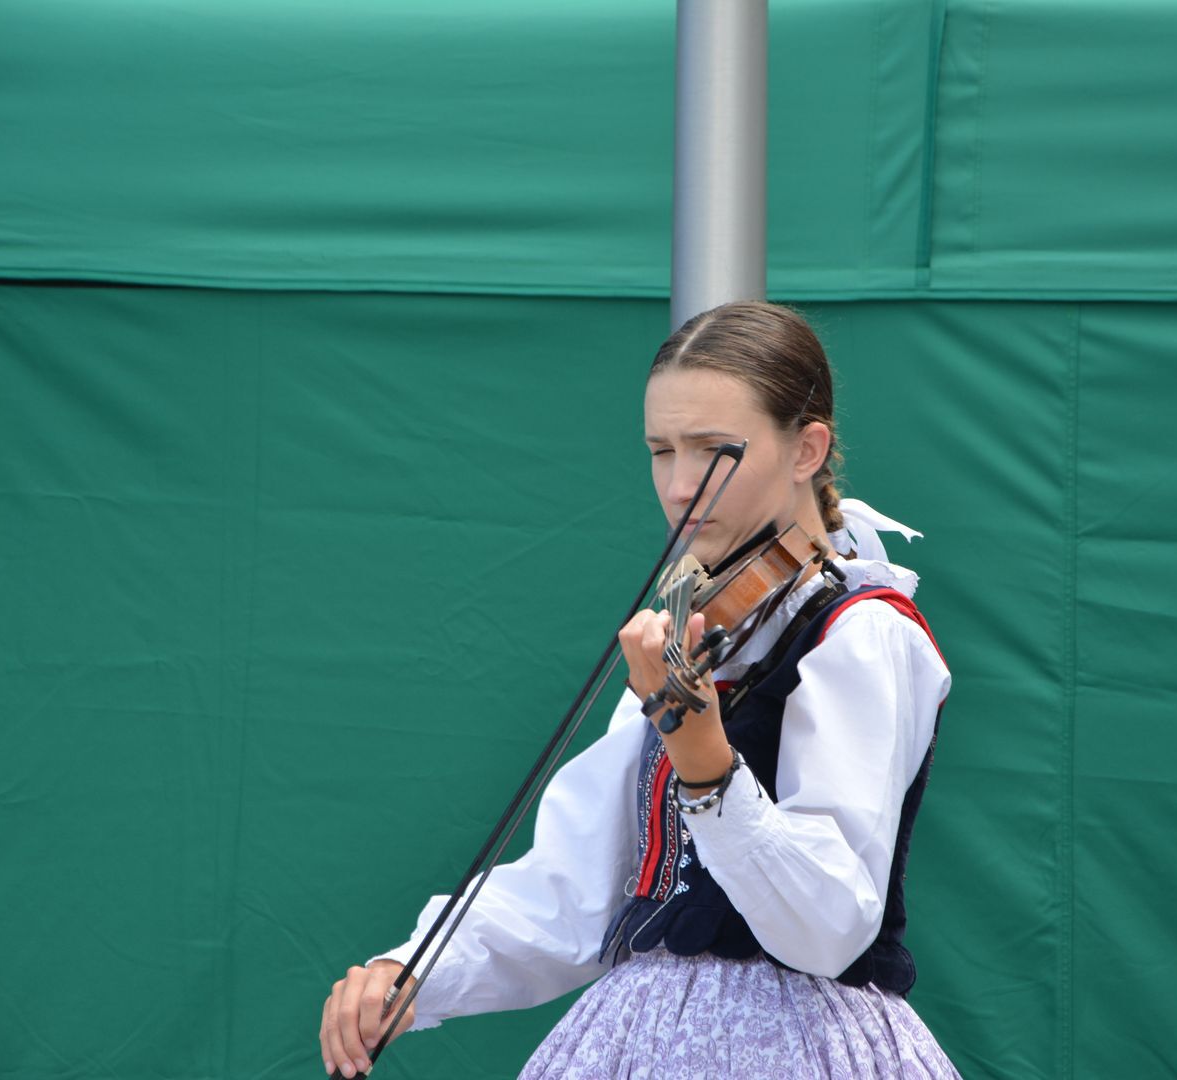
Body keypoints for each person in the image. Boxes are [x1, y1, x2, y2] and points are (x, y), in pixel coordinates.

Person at [319, 301, 961, 1078]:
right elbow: (575, 891)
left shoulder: (861, 634)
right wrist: (418, 970)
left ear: (807, 449)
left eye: (715, 451)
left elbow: (828, 927)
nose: (682, 486)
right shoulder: (695, 633)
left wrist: (707, 766)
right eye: (662, 451)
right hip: (637, 1032)